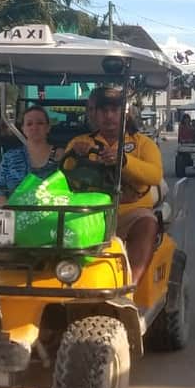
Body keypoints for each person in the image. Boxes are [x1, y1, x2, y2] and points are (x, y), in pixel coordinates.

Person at [65, 86, 163, 280]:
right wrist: (75, 157)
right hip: (89, 214)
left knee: (147, 223)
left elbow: (154, 175)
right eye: (103, 110)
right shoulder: (80, 142)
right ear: (94, 114)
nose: (109, 116)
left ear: (123, 112)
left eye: (114, 110)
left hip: (130, 213)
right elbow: (64, 177)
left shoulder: (142, 143)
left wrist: (123, 161)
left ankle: (129, 286)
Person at [0, 106, 59, 206]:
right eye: (29, 124)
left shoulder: (62, 157)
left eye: (40, 123)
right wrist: (8, 209)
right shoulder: (9, 157)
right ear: (23, 129)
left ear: (48, 128)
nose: (34, 127)